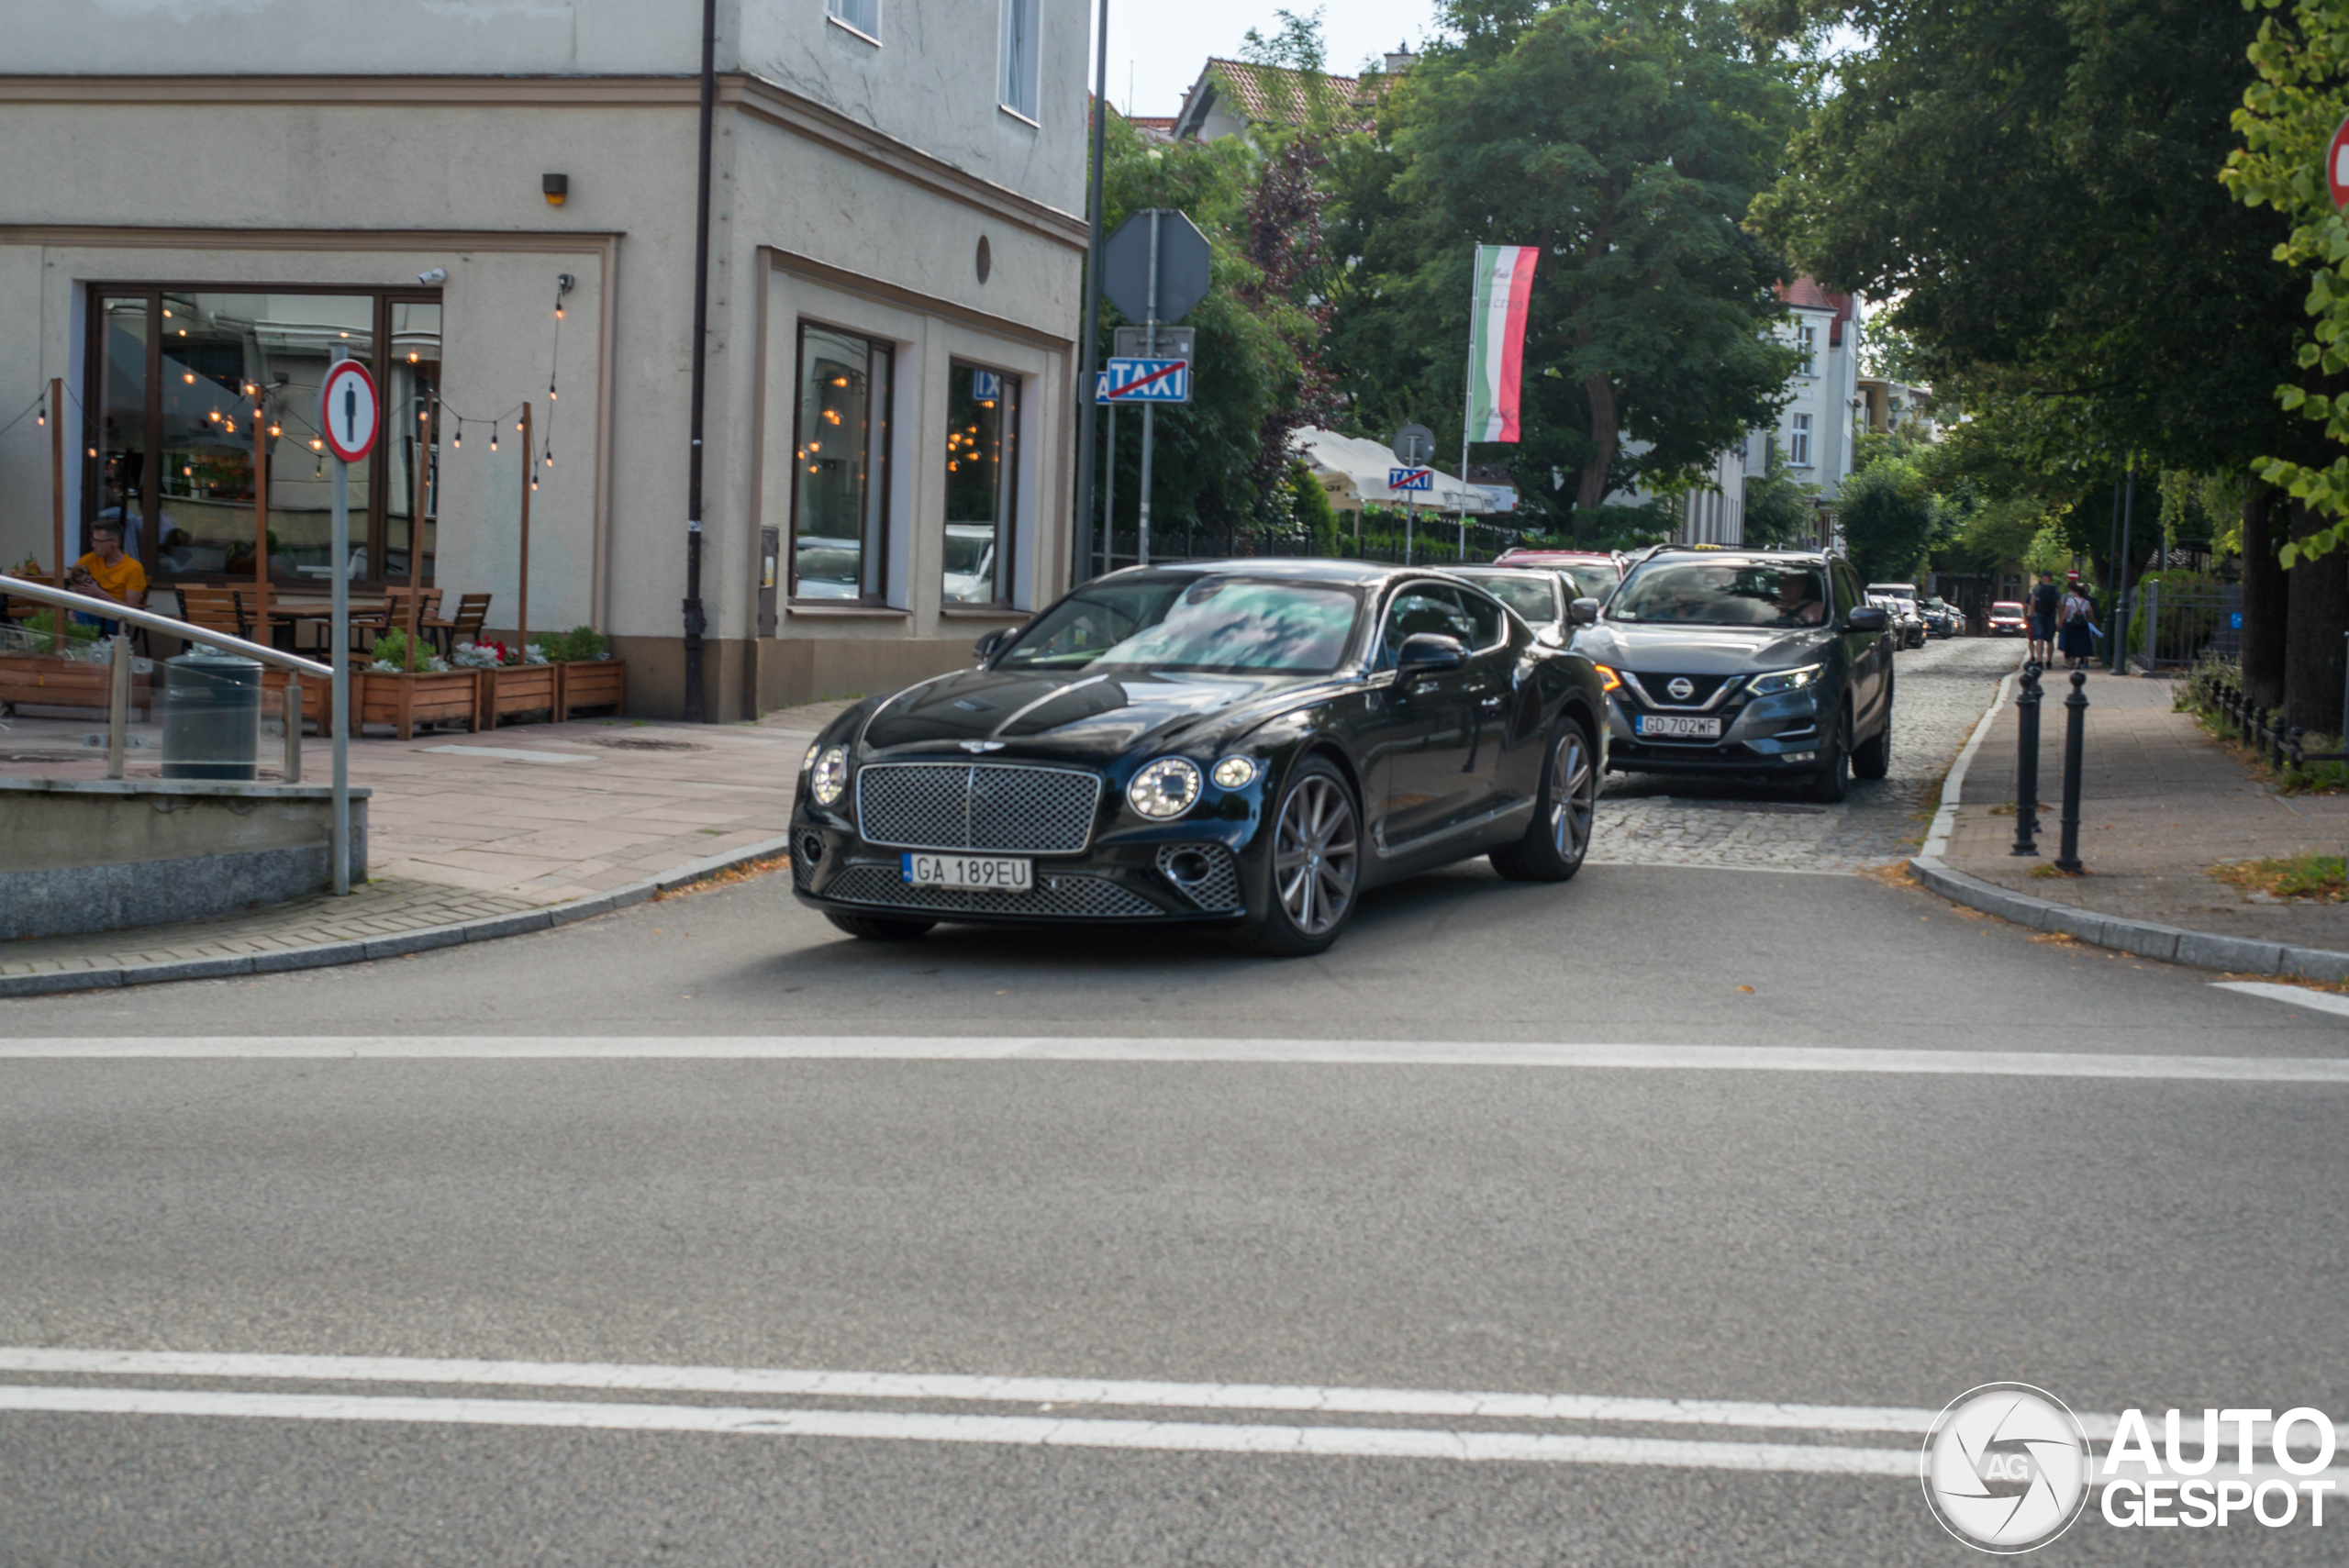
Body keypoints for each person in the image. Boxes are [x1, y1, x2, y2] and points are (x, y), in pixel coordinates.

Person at [67, 521, 147, 638]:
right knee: (56, 614)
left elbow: (131, 610)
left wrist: (99, 594)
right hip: (87, 611)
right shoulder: (91, 559)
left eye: (98, 541)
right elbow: (67, 574)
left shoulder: (133, 568)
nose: (93, 545)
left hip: (114, 618)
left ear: (114, 542)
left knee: (79, 616)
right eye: (92, 540)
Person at [2057, 579, 2099, 671]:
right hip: (2082, 626)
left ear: (2076, 593)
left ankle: (2070, 663)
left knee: (2071, 644)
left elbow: (2065, 613)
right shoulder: (2086, 603)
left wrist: (2061, 623)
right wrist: (2092, 623)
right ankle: (2077, 663)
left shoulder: (2070, 601)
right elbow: (2089, 615)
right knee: (2081, 644)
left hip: (2071, 625)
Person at [2027, 572, 2061, 665]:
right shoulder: (2055, 589)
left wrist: (2032, 614)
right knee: (2050, 640)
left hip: (2038, 615)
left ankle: (2040, 660)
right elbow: (2059, 605)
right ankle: (2049, 660)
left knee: (2039, 638)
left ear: (2044, 578)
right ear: (2050, 578)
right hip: (2051, 615)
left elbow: (2032, 601)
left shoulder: (2037, 588)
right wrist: (2060, 619)